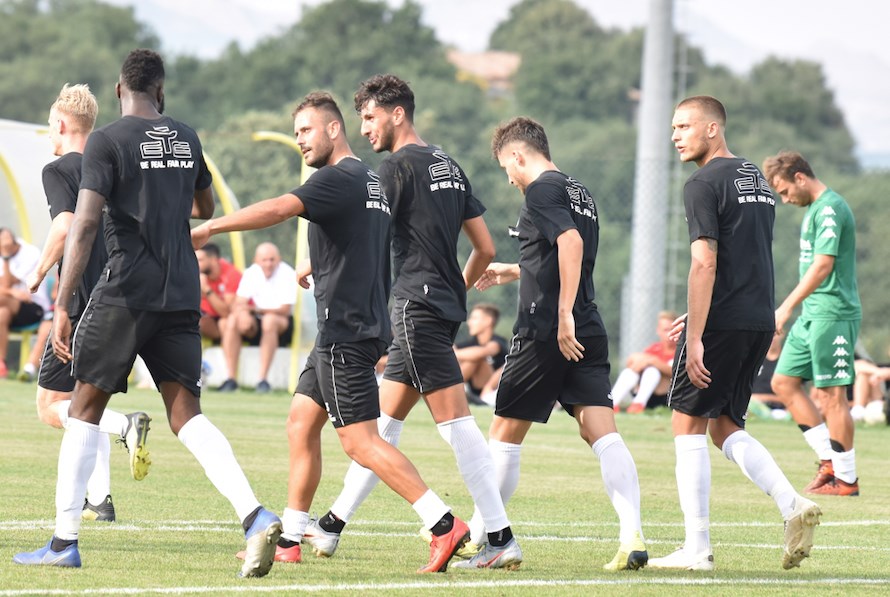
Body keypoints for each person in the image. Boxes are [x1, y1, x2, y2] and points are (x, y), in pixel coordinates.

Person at [13, 49, 281, 578]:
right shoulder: (186, 137)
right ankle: (254, 515)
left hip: (125, 293)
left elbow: (84, 226)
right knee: (188, 415)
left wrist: (63, 305)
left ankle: (65, 540)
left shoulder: (108, 141)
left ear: (119, 92)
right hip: (181, 292)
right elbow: (204, 208)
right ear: (161, 92)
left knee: (82, 410)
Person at [191, 91, 471, 573]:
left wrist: (211, 228)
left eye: (305, 130)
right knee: (301, 422)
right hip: (349, 328)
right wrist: (316, 263)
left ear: (333, 129)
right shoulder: (369, 181)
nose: (300, 140)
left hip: (345, 331)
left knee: (361, 441)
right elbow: (356, 243)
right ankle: (291, 539)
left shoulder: (335, 177)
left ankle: (444, 524)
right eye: (296, 131)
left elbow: (280, 207)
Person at [304, 74, 521, 570]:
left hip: (414, 306)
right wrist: (456, 289)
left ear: (397, 113)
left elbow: (366, 232)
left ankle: (501, 535)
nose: (365, 129)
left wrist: (317, 265)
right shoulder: (448, 163)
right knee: (382, 425)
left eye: (370, 116)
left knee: (457, 424)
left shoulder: (396, 168)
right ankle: (332, 525)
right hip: (441, 305)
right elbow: (485, 249)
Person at [647, 96, 820, 572]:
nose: (676, 135)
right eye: (673, 127)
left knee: (686, 425)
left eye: (684, 125)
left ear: (712, 129)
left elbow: (705, 261)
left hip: (721, 323)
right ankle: (791, 504)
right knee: (725, 426)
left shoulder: (703, 182)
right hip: (756, 319)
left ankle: (696, 548)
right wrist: (697, 314)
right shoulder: (757, 183)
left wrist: (697, 335)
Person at [470, 116, 647, 572]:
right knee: (600, 431)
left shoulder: (542, 189)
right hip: (588, 325)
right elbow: (558, 253)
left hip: (549, 328)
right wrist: (515, 271)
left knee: (505, 434)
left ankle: (486, 537)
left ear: (517, 155)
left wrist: (562, 312)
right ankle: (632, 535)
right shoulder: (579, 191)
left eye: (505, 168)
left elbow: (568, 242)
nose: (508, 178)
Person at [22, 83, 152, 522]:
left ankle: (124, 425)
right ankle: (101, 498)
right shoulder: (111, 165)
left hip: (77, 300)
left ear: (60, 124)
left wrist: (37, 274)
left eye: (50, 126)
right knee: (86, 397)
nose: (50, 134)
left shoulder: (57, 169)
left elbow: (65, 225)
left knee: (50, 407)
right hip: (116, 295)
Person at [764, 151, 862, 497]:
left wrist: (785, 307)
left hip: (833, 314)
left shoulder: (831, 207)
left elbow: (822, 267)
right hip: (812, 316)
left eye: (785, 190)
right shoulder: (813, 211)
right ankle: (829, 462)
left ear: (800, 178)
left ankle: (846, 480)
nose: (785, 198)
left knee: (831, 396)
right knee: (784, 382)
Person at [216, 242, 295, 393]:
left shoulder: (287, 273)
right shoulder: (252, 272)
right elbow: (239, 302)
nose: (269, 264)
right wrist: (243, 313)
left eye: (272, 259)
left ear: (279, 259)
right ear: (256, 260)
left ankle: (262, 380)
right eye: (264, 260)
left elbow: (285, 310)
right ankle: (231, 379)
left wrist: (253, 309)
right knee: (231, 320)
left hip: (280, 322)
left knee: (269, 321)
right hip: (256, 319)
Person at [0, 228, 51, 378]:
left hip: (35, 308)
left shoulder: (30, 253)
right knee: (2, 313)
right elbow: (7, 288)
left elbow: (8, 282)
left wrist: (7, 257)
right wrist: (12, 292)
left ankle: (27, 367)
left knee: (3, 301)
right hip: (10, 306)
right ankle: (2, 364)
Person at [611, 310, 678, 413]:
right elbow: (632, 362)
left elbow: (675, 372)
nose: (669, 333)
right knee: (632, 371)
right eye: (665, 330)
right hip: (647, 392)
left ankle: (638, 404)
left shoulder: (681, 350)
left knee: (653, 370)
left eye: (673, 329)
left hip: (666, 396)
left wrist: (653, 362)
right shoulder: (655, 349)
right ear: (658, 331)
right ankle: (612, 403)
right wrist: (644, 361)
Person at [454, 303, 508, 406]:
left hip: (493, 391)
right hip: (474, 389)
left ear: (488, 321)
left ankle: (453, 391)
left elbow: (483, 352)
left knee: (477, 358)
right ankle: (451, 391)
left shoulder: (497, 342)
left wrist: (452, 353)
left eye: (474, 318)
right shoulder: (470, 344)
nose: (469, 322)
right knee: (469, 357)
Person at [195, 242, 242, 343]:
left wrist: (206, 289)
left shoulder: (231, 274)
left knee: (224, 322)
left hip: (236, 320)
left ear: (213, 260)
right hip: (212, 318)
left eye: (200, 260)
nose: (196, 264)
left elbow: (227, 313)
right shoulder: (199, 275)